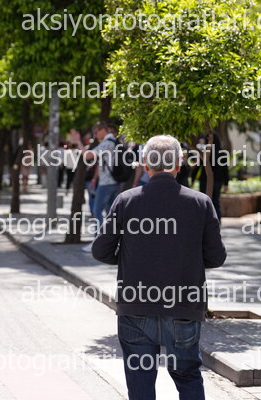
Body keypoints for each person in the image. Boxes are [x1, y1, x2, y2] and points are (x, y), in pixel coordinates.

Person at [92, 135, 226, 400]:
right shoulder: (200, 203)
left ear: (145, 163)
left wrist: (131, 259)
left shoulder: (126, 201)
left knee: (140, 379)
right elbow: (216, 257)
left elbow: (100, 250)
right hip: (184, 304)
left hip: (136, 304)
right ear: (179, 164)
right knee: (187, 375)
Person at [82, 122, 119, 252]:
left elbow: (88, 156)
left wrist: (78, 143)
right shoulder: (114, 141)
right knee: (111, 215)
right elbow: (102, 163)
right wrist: (95, 178)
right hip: (114, 182)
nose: (95, 135)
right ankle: (113, 243)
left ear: (103, 130)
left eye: (96, 132)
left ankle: (97, 244)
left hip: (106, 184)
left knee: (97, 212)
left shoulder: (107, 143)